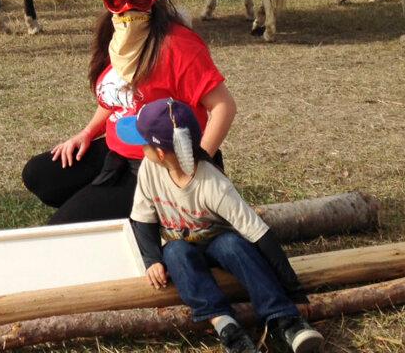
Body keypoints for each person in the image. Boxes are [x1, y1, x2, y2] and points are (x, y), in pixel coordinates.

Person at [22, 0, 237, 224]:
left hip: (158, 163)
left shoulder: (178, 45)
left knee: (60, 228)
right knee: (38, 175)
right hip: (117, 152)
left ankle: (151, 210)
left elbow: (224, 107)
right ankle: (111, 206)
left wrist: (194, 168)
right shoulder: (116, 38)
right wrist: (87, 133)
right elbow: (117, 97)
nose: (127, 7)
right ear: (107, 1)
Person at [124, 99, 323, 353]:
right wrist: (152, 259)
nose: (141, 148)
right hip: (181, 248)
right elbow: (143, 218)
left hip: (218, 244)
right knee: (174, 252)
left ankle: (285, 319)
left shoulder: (213, 184)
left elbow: (260, 235)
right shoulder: (149, 170)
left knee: (233, 245)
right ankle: (226, 325)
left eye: (144, 143)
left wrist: (294, 291)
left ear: (161, 153)